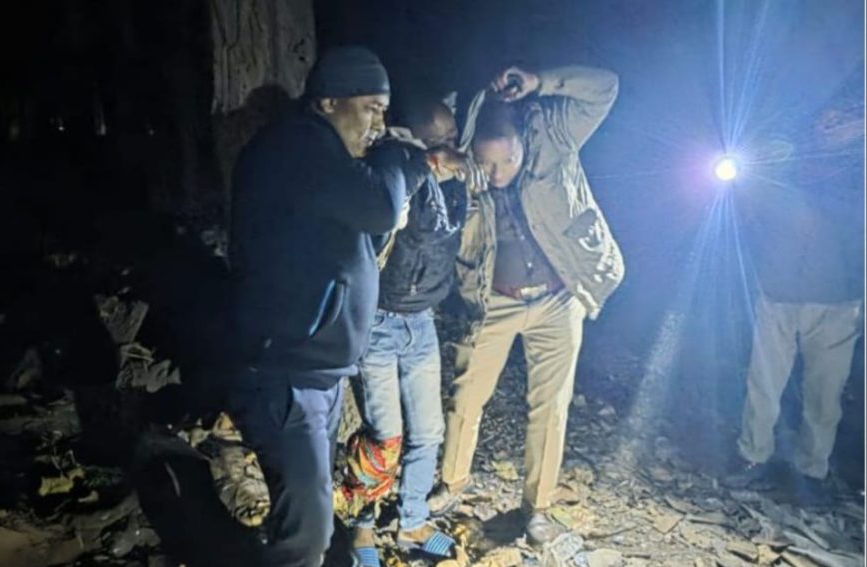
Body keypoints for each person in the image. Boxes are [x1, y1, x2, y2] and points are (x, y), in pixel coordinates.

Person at [228, 46, 473, 567]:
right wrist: (408, 158)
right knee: (308, 532)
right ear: (328, 102)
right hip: (288, 371)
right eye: (371, 109)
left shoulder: (324, 157)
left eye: (384, 111)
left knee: (309, 509)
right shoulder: (298, 147)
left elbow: (371, 225)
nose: (379, 125)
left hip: (316, 369)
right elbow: (380, 208)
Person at [428, 66, 625, 546]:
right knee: (465, 396)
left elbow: (606, 87)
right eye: (487, 163)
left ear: (523, 143)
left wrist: (543, 81)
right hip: (495, 300)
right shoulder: (462, 157)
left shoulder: (555, 136)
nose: (497, 175)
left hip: (559, 297)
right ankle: (451, 483)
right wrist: (444, 159)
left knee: (550, 406)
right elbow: (407, 145)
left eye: (508, 161)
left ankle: (536, 507)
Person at [339, 98, 482, 566]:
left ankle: (412, 522)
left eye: (454, 137)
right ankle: (361, 527)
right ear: (413, 138)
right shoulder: (391, 166)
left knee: (429, 431)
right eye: (439, 140)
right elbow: (396, 209)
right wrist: (433, 162)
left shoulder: (452, 180)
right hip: (379, 320)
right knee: (384, 436)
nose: (453, 148)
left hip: (422, 321)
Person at [727, 79, 865, 502]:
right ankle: (752, 456)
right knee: (763, 382)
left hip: (839, 299)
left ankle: (812, 470)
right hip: (778, 289)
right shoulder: (792, 152)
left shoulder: (859, 168)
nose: (834, 123)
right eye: (830, 115)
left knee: (825, 395)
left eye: (849, 116)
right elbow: (750, 195)